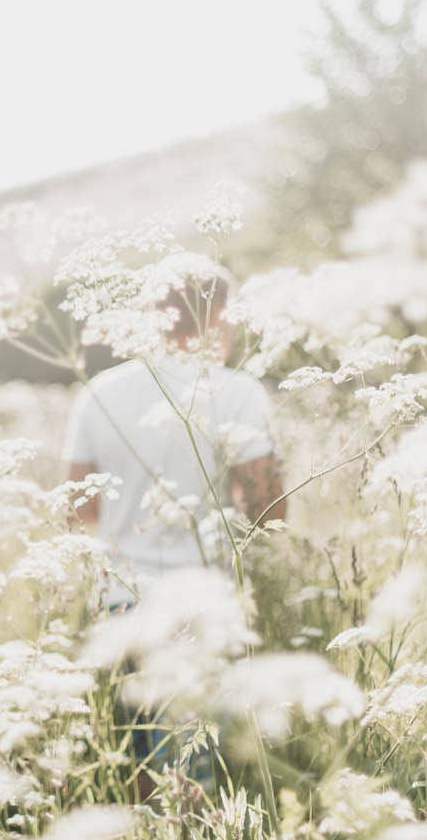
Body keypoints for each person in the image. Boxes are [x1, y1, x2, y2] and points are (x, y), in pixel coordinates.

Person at [63, 253, 286, 790]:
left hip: (121, 599)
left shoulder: (99, 392)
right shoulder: (239, 392)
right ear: (220, 315)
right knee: (199, 762)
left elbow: (78, 510)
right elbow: (272, 512)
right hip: (202, 600)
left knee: (146, 761)